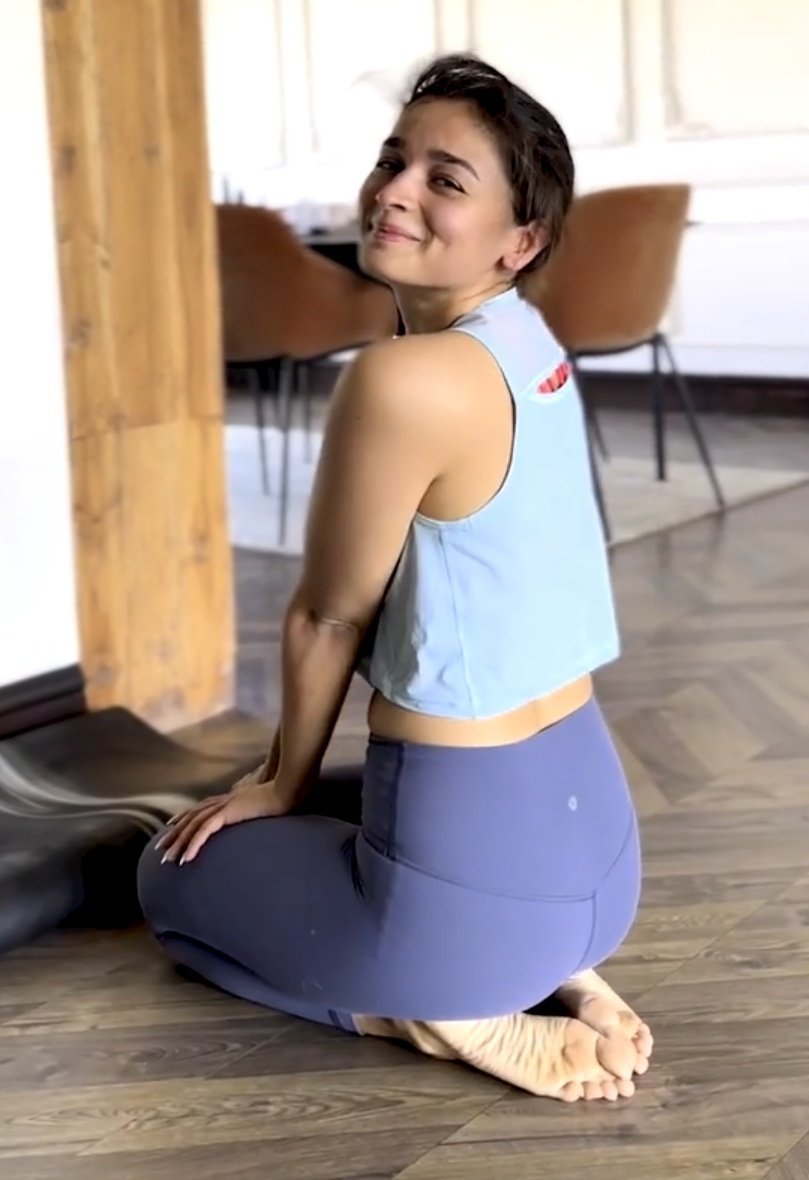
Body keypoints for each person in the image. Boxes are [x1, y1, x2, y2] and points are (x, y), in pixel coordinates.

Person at [138, 53, 652, 1103]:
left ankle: (439, 1014)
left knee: (170, 877)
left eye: (443, 179)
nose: (395, 191)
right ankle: (551, 971)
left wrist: (280, 784)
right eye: (393, 159)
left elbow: (328, 616)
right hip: (596, 856)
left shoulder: (404, 377)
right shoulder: (530, 346)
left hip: (467, 907)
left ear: (519, 241)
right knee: (291, 808)